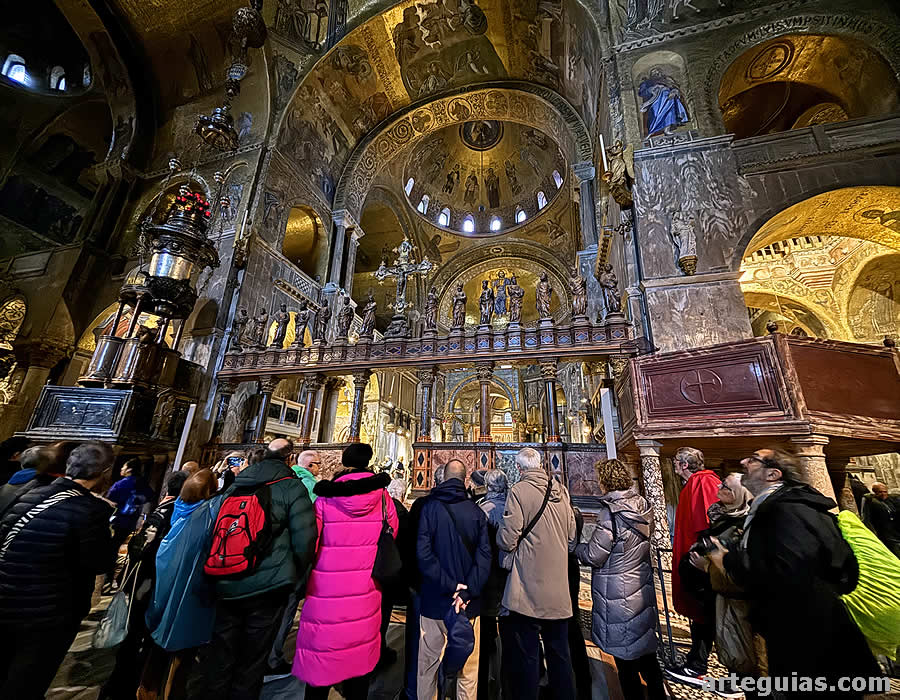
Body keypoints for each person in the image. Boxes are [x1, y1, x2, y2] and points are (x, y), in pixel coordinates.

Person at [714, 449, 880, 699]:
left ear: (773, 474)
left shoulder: (785, 510)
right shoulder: (788, 506)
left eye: (753, 459)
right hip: (809, 630)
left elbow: (788, 572)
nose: (743, 461)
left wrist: (729, 560)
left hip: (809, 640)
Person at [194, 438, 316, 700]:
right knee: (252, 658)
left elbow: (215, 527)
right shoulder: (291, 487)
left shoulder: (236, 485)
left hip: (225, 578)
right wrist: (294, 575)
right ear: (289, 458)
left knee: (221, 654)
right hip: (267, 586)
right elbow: (305, 537)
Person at [0, 441, 114, 699]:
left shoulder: (29, 494)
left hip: (7, 599)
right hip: (48, 612)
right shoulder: (90, 509)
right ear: (104, 472)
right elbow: (98, 562)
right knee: (25, 683)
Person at [293, 443, 399, 700]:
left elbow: (312, 539)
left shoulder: (325, 497)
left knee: (321, 656)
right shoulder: (383, 497)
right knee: (359, 655)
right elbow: (392, 532)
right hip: (365, 587)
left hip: (325, 590)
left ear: (344, 461)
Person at [576, 459, 663, 700]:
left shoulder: (611, 514)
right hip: (640, 584)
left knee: (624, 658)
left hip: (617, 591)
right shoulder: (643, 505)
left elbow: (595, 555)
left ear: (604, 481)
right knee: (646, 654)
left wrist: (575, 548)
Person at [100, 469, 189, 700]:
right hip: (153, 584)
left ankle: (116, 685)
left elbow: (137, 546)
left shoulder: (160, 510)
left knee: (132, 637)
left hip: (137, 582)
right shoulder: (177, 513)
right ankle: (135, 684)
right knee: (144, 639)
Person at [496, 447, 577, 700]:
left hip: (528, 588)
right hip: (558, 589)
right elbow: (572, 536)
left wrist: (500, 534)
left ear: (519, 469)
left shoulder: (519, 491)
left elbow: (508, 540)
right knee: (560, 656)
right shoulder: (561, 491)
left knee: (527, 656)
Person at [416, 460, 491, 700]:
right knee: (468, 669)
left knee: (427, 663)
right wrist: (466, 592)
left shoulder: (429, 508)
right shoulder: (477, 512)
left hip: (434, 598)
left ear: (443, 478)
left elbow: (424, 554)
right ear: (465, 480)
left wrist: (448, 585)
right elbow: (484, 558)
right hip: (467, 605)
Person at [143, 469, 219, 698]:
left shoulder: (176, 508)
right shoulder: (207, 514)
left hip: (164, 581)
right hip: (191, 587)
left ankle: (147, 689)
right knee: (183, 651)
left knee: (157, 644)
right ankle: (172, 693)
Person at [689, 472, 761, 699]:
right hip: (720, 595)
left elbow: (743, 572)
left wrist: (709, 566)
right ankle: (737, 679)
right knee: (732, 644)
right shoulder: (720, 515)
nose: (719, 487)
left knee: (750, 653)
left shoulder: (748, 525)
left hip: (741, 602)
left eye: (726, 487)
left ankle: (746, 684)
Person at [665, 446, 720, 687]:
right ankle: (697, 662)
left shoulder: (704, 482)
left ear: (685, 465)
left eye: (677, 461)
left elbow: (710, 522)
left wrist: (704, 557)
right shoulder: (695, 483)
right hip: (696, 561)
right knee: (702, 615)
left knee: (706, 614)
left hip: (704, 565)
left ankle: (698, 666)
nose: (674, 464)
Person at [266, 447, 322, 677]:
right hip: (293, 559)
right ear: (310, 466)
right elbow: (312, 527)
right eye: (318, 463)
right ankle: (272, 659)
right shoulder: (311, 488)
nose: (320, 466)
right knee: (286, 610)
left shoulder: (280, 481)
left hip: (270, 557)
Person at [404, 464, 446, 700]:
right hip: (454, 589)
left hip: (422, 584)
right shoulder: (469, 507)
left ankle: (414, 691)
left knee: (419, 642)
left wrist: (410, 580)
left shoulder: (421, 505)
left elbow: (410, 546)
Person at [477, 469, 509, 700]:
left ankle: (484, 671)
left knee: (487, 623)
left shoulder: (482, 510)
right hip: (508, 573)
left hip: (488, 576)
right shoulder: (515, 508)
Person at [106, 457, 156, 589]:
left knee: (110, 550)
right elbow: (150, 497)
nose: (121, 469)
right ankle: (115, 579)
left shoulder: (122, 484)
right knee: (119, 548)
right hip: (131, 522)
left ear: (129, 469)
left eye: (124, 466)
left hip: (117, 520)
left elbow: (110, 500)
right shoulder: (142, 484)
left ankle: (107, 578)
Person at [863, 482, 900, 557]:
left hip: (896, 531)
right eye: (880, 492)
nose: (883, 494)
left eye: (885, 492)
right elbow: (867, 519)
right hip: (885, 533)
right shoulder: (871, 502)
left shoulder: (893, 500)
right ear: (874, 492)